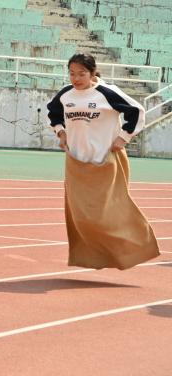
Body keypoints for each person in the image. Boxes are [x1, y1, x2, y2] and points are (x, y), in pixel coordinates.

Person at [46, 53, 158, 270]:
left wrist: (123, 138)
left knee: (107, 214)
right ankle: (92, 257)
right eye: (72, 73)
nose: (76, 79)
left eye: (81, 74)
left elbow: (137, 112)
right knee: (81, 217)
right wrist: (61, 132)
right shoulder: (66, 94)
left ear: (92, 73)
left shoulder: (106, 93)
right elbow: (53, 112)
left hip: (105, 160)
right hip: (76, 162)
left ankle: (134, 249)